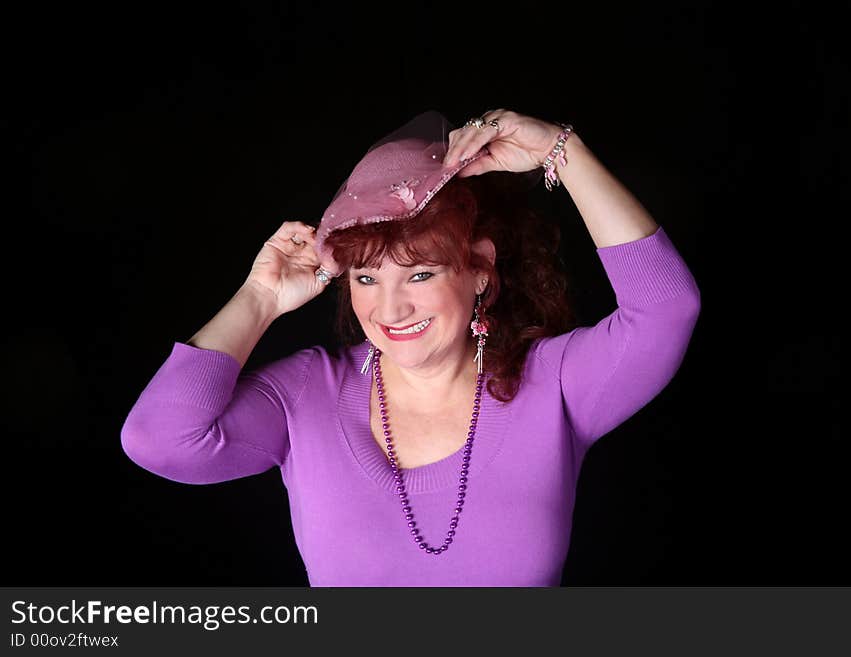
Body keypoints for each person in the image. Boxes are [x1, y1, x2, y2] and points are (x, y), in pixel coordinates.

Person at [120, 108, 701, 586]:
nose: (390, 311)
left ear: (479, 270)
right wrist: (261, 297)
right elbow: (159, 439)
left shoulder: (553, 384)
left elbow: (666, 310)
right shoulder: (305, 394)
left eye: (420, 275)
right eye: (367, 279)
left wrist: (560, 149)